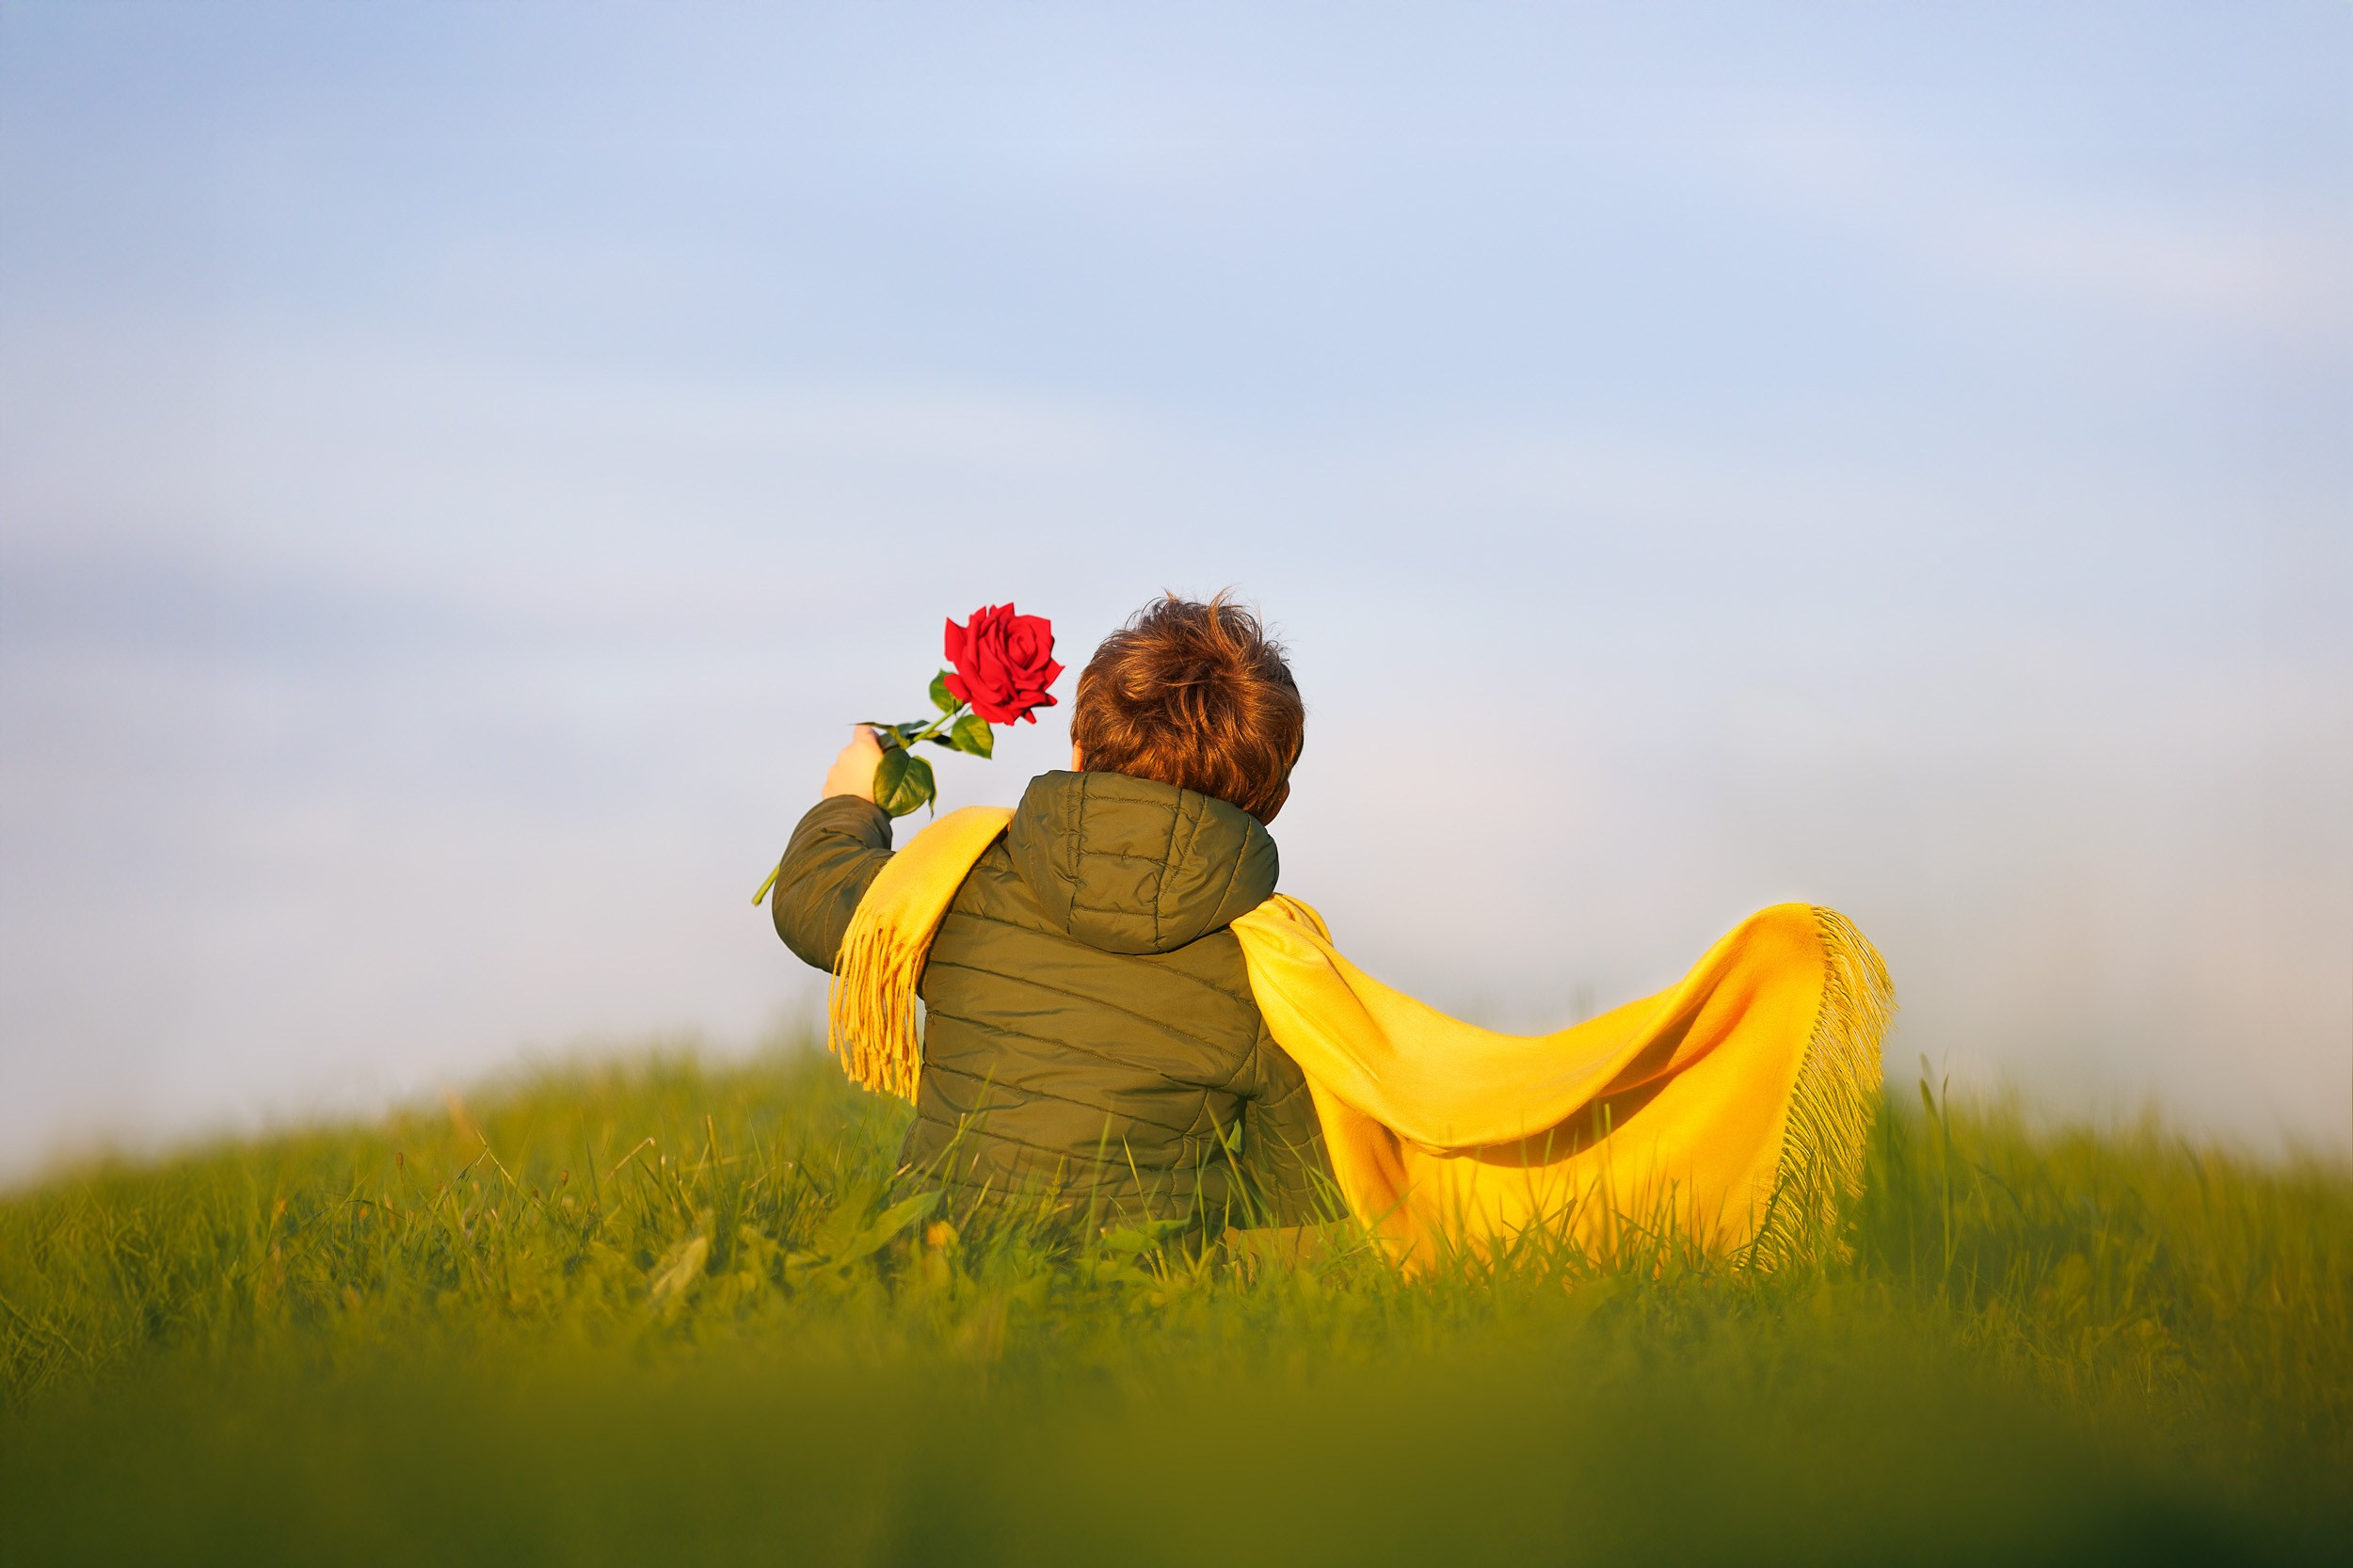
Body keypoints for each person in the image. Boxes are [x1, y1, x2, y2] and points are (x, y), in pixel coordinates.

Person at [770, 594, 1332, 1239]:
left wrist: (852, 802)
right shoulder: (1278, 969)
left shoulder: (964, 877)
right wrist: (1173, 1190)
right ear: (1274, 802)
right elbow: (1296, 1190)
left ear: (1078, 748)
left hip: (936, 1273)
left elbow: (811, 899)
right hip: (1145, 1302)